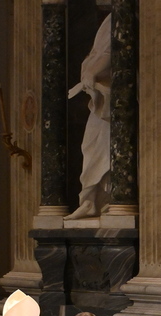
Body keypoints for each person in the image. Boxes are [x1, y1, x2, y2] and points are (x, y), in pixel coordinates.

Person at [65, 13, 111, 220]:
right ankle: (90, 200)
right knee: (90, 146)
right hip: (100, 96)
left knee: (104, 148)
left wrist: (92, 72)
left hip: (111, 97)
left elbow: (111, 52)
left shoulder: (122, 15)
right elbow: (97, 53)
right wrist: (88, 72)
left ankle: (103, 200)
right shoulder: (110, 18)